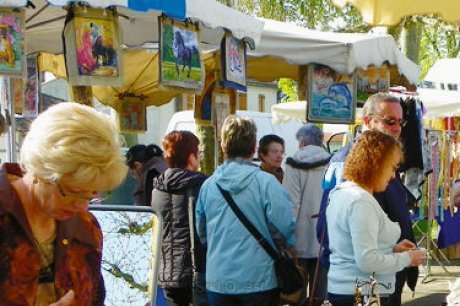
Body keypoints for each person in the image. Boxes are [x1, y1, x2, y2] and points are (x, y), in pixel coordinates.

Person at [0, 102, 127, 305]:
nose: (82, 206)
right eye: (73, 192)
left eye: (91, 193)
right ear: (40, 169)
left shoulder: (86, 227)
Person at [317, 92, 419, 305]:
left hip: (383, 278)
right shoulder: (347, 163)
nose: (397, 128)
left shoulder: (383, 157)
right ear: (367, 121)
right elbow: (328, 232)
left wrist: (393, 252)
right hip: (363, 287)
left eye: (401, 122)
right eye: (390, 121)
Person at [195, 115, 296, 306]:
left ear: (224, 147)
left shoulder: (208, 186)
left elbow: (203, 233)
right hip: (260, 278)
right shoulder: (267, 183)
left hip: (219, 278)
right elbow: (284, 229)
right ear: (254, 147)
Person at [151, 131, 208, 306]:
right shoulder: (201, 186)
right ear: (191, 157)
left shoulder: (157, 188)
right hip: (195, 270)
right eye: (198, 153)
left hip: (166, 270)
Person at [283, 124, 331, 306]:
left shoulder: (294, 163)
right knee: (319, 293)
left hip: (300, 237)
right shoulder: (332, 161)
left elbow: (291, 204)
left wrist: (287, 238)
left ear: (302, 141)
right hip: (324, 236)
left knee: (298, 294)